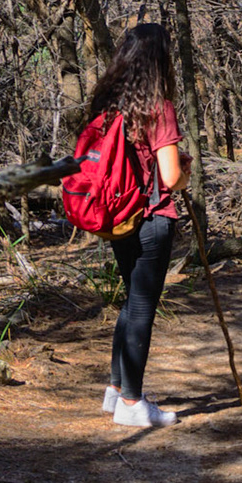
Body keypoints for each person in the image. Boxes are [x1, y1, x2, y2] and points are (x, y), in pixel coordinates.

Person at [89, 23, 187, 427]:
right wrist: (185, 175)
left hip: (119, 218)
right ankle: (132, 404)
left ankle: (116, 391)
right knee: (142, 307)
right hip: (151, 219)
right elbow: (171, 177)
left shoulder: (110, 107)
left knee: (131, 302)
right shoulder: (158, 108)